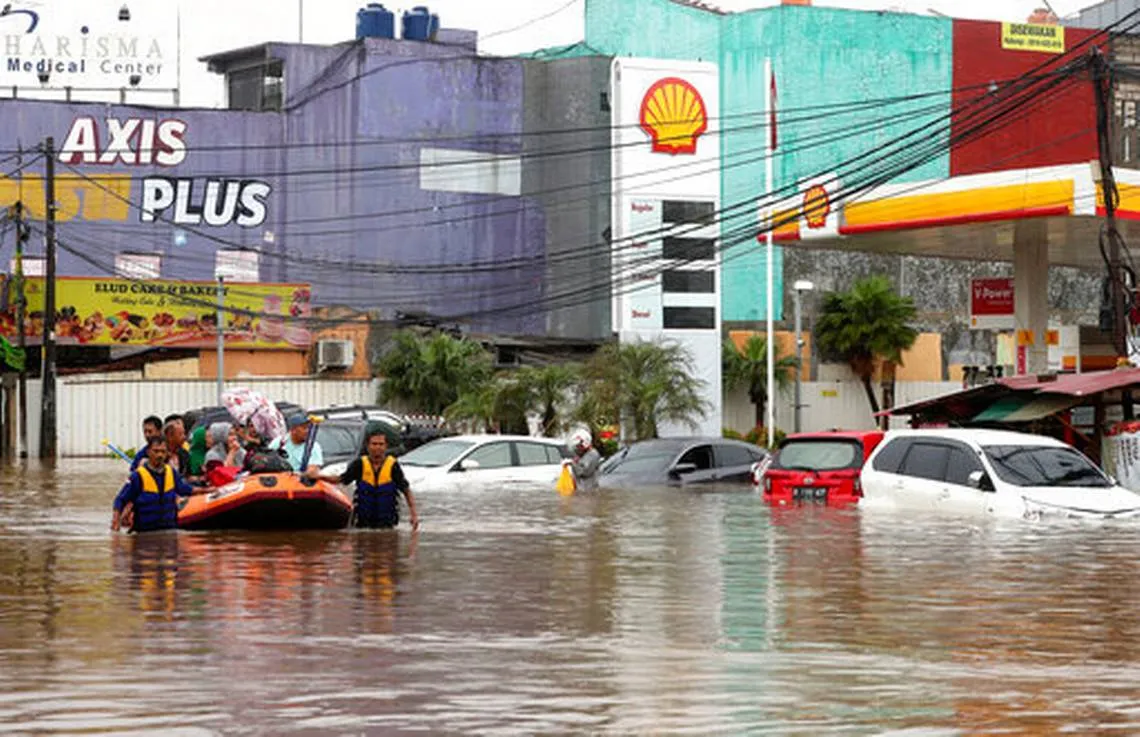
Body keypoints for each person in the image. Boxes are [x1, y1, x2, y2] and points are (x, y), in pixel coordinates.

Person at [320, 428, 419, 530]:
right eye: (374, 444)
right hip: (362, 522)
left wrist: (413, 514)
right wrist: (320, 477)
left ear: (386, 447)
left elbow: (406, 489)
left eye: (381, 444)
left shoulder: (393, 465)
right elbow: (341, 479)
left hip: (387, 524)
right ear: (368, 446)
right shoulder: (359, 464)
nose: (377, 447)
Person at [111, 437, 200, 533]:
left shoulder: (171, 472)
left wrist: (208, 490)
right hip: (144, 532)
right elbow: (120, 499)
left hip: (169, 530)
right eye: (156, 451)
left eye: (163, 452)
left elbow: (185, 490)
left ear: (167, 453)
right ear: (149, 452)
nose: (160, 455)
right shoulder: (138, 476)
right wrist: (116, 521)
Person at [273, 414, 323, 479]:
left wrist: (299, 475)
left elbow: (313, 470)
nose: (307, 431)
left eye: (308, 427)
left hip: (300, 484)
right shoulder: (279, 442)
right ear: (293, 430)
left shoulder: (313, 446)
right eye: (304, 428)